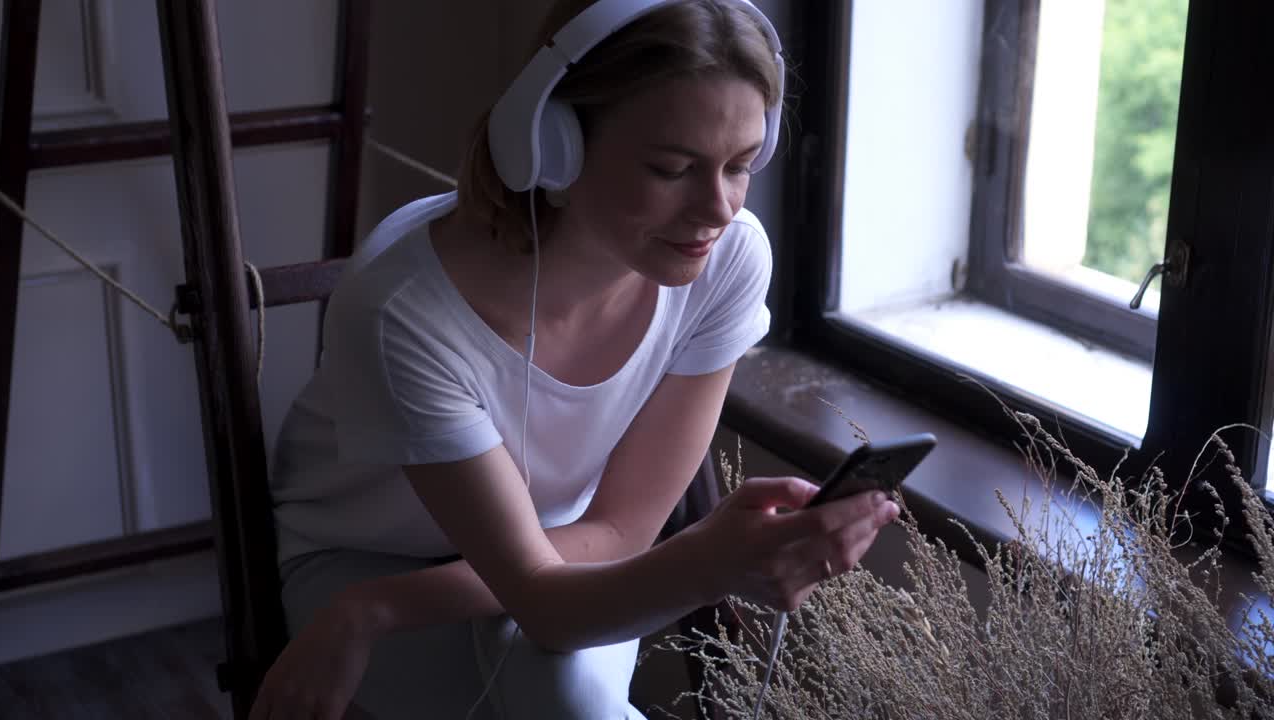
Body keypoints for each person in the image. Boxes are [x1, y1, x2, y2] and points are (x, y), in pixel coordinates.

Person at [249, 1, 901, 718]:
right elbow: (545, 603)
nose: (717, 207)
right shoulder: (406, 312)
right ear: (553, 144)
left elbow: (621, 532)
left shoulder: (730, 259)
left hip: (567, 551)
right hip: (363, 558)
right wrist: (715, 561)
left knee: (561, 694)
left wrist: (378, 610)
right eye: (672, 168)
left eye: (741, 165)